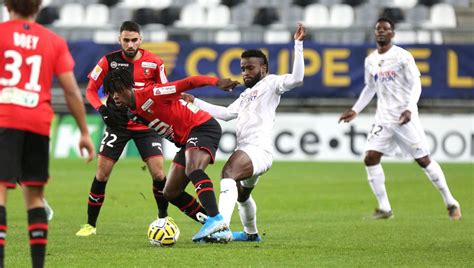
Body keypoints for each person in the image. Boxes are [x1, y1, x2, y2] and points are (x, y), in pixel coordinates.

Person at [181, 23, 306, 242]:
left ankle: (221, 227)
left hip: (257, 149)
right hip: (251, 151)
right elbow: (227, 113)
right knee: (242, 195)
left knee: (227, 173)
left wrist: (298, 44)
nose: (245, 73)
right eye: (242, 69)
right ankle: (251, 234)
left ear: (263, 69)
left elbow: (297, 79)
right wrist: (195, 101)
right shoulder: (246, 95)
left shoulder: (271, 82)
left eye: (250, 68)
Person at [0, 0, 96, 267]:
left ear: (7, 6)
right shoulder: (52, 40)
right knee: (34, 197)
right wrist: (85, 132)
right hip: (37, 121)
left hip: (5, 118)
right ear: (38, 7)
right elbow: (70, 90)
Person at [338, 17, 461, 220]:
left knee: (423, 160)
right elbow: (370, 87)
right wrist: (356, 109)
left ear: (392, 34)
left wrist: (410, 109)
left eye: (386, 29)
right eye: (378, 29)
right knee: (370, 157)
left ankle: (450, 201)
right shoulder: (370, 60)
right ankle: (385, 208)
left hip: (404, 117)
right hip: (383, 119)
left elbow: (416, 84)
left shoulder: (403, 56)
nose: (381, 32)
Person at [103, 68, 240, 242]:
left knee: (194, 169)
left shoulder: (153, 92)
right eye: (112, 92)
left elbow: (188, 82)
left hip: (202, 127)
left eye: (119, 90)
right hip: (186, 140)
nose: (115, 96)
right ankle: (218, 230)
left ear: (130, 87)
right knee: (171, 192)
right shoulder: (131, 113)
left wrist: (216, 82)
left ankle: (216, 219)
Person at [77, 21, 170, 236]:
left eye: (134, 40)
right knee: (102, 174)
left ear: (141, 40)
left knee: (158, 173)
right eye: (126, 40)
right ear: (119, 40)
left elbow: (165, 92)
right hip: (117, 124)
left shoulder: (155, 63)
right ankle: (90, 224)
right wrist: (102, 109)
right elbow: (91, 90)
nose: (130, 44)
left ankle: (163, 218)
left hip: (146, 125)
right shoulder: (108, 61)